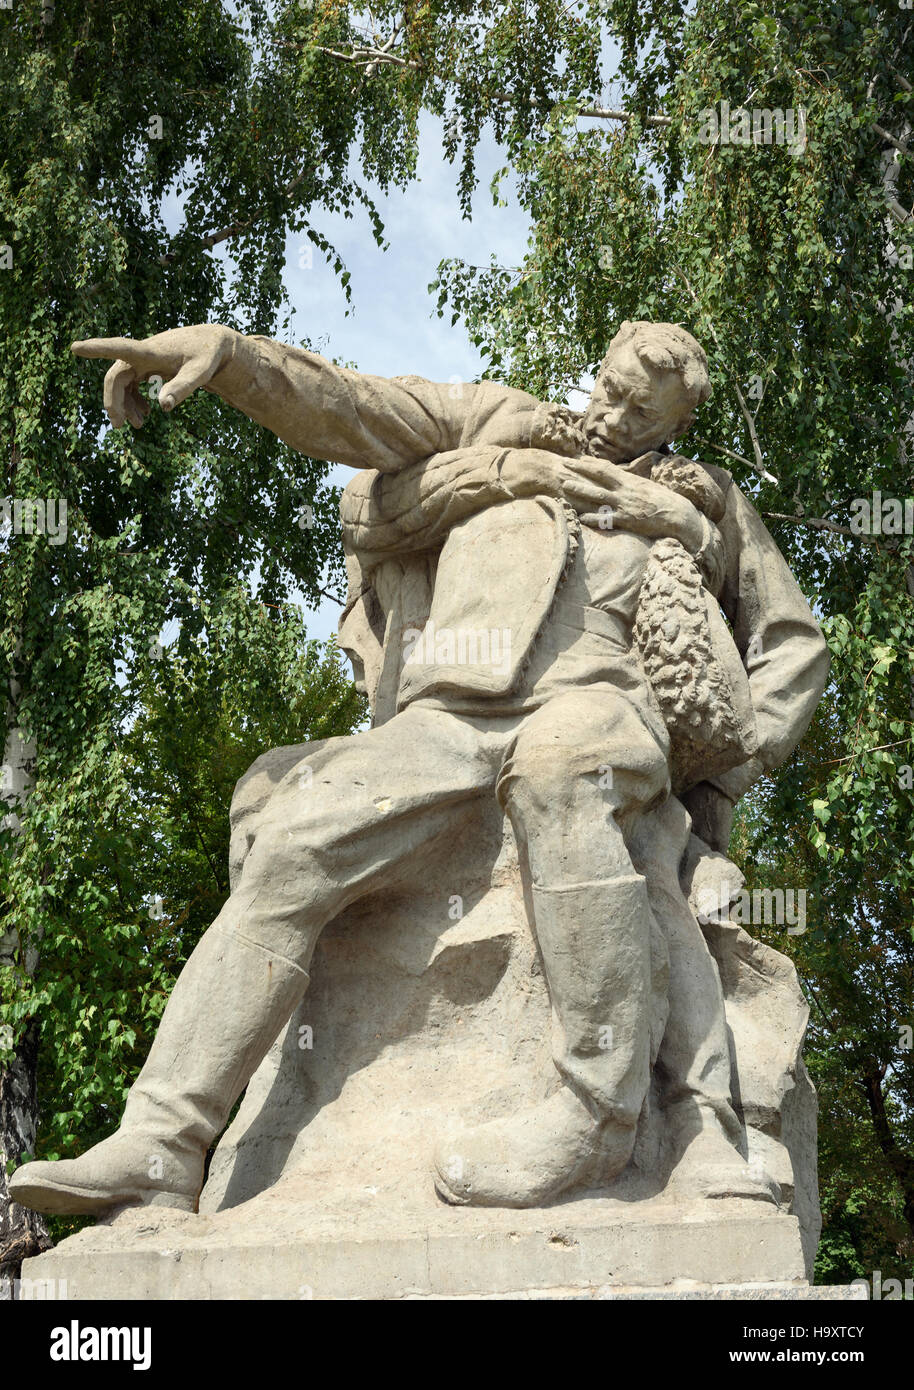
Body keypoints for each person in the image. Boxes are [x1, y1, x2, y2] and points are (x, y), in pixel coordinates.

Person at [11, 321, 828, 1215]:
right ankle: (162, 1143)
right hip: (450, 709)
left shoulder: (704, 498)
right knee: (295, 837)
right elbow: (357, 407)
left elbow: (790, 644)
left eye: (640, 411)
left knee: (562, 776)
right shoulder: (497, 420)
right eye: (609, 389)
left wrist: (718, 775)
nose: (612, 416)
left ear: (675, 421)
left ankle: (597, 1113)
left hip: (596, 703)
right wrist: (233, 361)